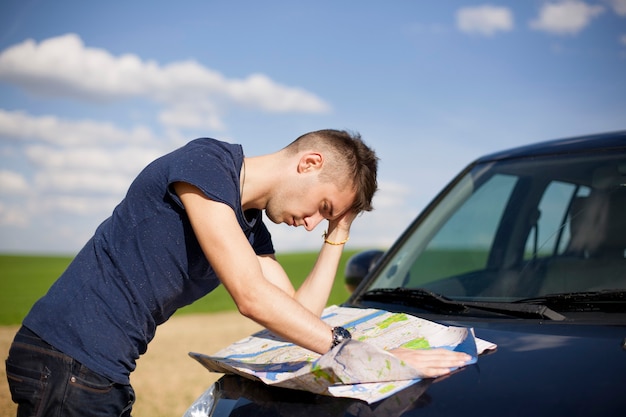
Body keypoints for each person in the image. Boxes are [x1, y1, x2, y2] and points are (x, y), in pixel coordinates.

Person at [6, 129, 470, 416]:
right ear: (309, 163)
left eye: (324, 221)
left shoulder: (247, 228)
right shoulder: (207, 164)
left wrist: (339, 230)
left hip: (92, 370)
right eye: (322, 208)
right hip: (66, 360)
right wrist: (364, 356)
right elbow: (251, 297)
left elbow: (298, 315)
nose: (311, 224)